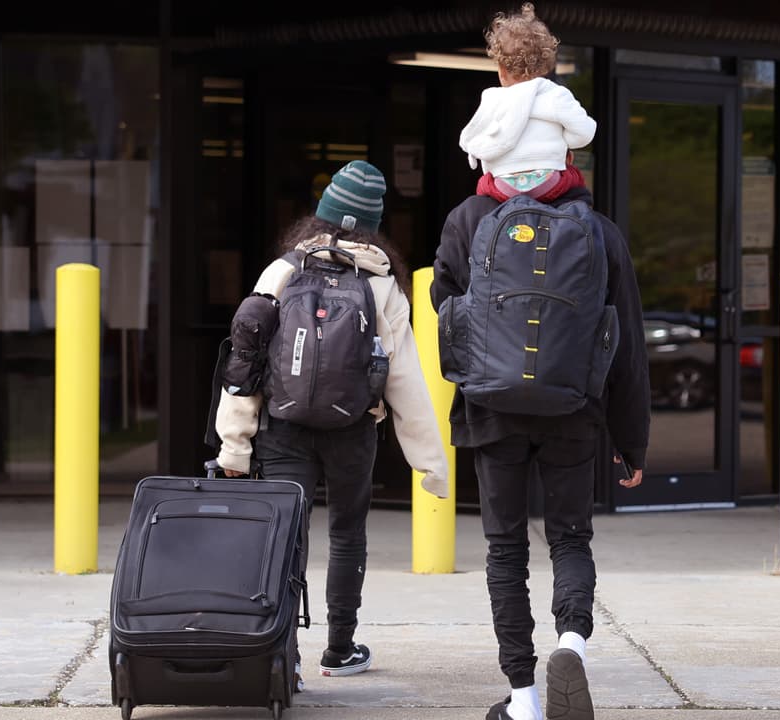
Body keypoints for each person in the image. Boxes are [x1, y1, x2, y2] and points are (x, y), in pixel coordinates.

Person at [431, 7, 651, 720]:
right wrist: (631, 438)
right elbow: (625, 340)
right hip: (574, 408)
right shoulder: (598, 230)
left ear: (498, 70)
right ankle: (573, 642)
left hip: (492, 409)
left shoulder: (469, 220)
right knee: (570, 536)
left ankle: (524, 697)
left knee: (504, 551)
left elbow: (445, 309)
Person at [214, 160, 450, 687]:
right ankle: (340, 649)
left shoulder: (282, 272)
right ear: (372, 226)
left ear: (319, 215)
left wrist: (234, 445)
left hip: (284, 428)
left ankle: (284, 655)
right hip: (352, 429)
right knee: (346, 534)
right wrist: (431, 464)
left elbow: (245, 361)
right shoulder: (382, 286)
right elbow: (406, 381)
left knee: (285, 536)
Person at [458, 2, 596, 201]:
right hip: (547, 184)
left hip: (502, 187)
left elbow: (476, 134)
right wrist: (563, 138)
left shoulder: (492, 99)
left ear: (501, 71)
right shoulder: (556, 95)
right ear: (544, 67)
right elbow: (585, 132)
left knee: (483, 184)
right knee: (573, 176)